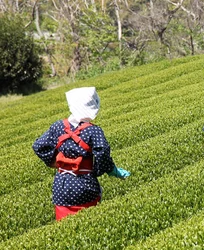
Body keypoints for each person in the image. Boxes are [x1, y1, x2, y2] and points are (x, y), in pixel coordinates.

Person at [32, 87, 130, 221]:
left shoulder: (58, 126)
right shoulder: (94, 131)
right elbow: (102, 153)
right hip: (85, 185)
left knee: (64, 226)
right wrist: (103, 170)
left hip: (61, 187)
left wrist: (54, 163)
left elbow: (38, 146)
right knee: (89, 223)